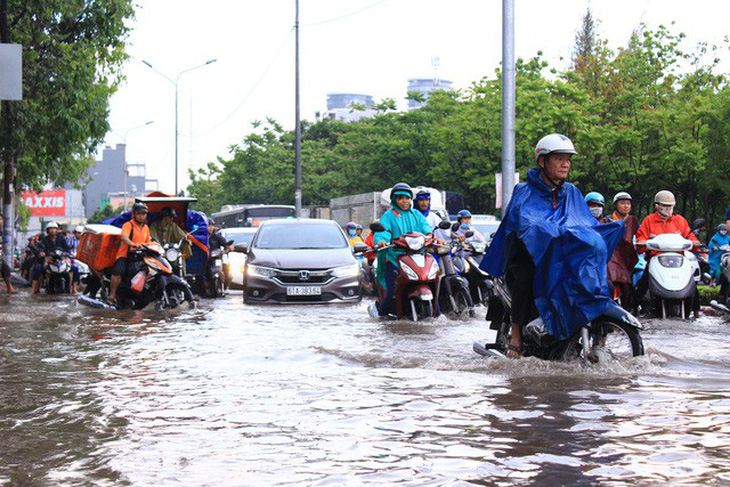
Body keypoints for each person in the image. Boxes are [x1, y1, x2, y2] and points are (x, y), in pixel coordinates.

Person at [480, 133, 624, 358]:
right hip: (528, 254)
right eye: (559, 158)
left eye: (568, 159)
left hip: (562, 256)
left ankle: (598, 336)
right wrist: (548, 231)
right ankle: (516, 337)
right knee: (525, 277)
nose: (566, 164)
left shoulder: (572, 193)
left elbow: (585, 224)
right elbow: (527, 223)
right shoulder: (524, 191)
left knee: (601, 280)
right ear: (542, 161)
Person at [633, 190, 700, 315]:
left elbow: (690, 235)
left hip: (678, 260)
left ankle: (696, 310)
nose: (668, 209)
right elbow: (641, 237)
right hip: (656, 258)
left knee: (692, 283)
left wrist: (694, 242)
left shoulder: (680, 220)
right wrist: (643, 243)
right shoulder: (649, 221)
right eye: (665, 205)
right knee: (643, 284)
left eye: (670, 206)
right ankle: (633, 307)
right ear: (657, 206)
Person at [371, 183, 433, 317]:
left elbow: (426, 229)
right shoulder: (388, 216)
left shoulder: (416, 214)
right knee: (392, 292)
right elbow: (384, 231)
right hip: (395, 258)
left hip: (417, 256)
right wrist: (382, 240)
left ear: (411, 199)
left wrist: (431, 237)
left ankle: (437, 314)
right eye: (400, 198)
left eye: (407, 198)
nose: (404, 201)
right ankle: (381, 318)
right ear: (395, 200)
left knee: (432, 282)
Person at [600, 192, 639, 307]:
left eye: (628, 204)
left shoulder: (633, 221)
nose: (626, 206)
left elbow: (641, 235)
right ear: (616, 205)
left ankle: (633, 307)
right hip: (612, 256)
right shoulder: (606, 221)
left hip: (628, 256)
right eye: (622, 203)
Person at [109, 202, 151, 304]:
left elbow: (148, 242)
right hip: (125, 255)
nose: (142, 216)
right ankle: (112, 295)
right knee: (118, 272)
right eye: (139, 213)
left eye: (144, 213)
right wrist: (133, 244)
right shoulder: (128, 225)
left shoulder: (146, 228)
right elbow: (124, 237)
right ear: (134, 214)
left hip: (139, 256)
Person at [31, 222, 73, 294]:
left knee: (74, 269)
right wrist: (42, 252)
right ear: (48, 230)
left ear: (56, 230)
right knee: (38, 270)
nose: (52, 230)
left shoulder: (61, 238)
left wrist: (69, 253)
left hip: (61, 259)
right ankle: (34, 290)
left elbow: (67, 248)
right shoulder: (45, 239)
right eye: (50, 229)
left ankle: (74, 289)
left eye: (54, 228)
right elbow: (41, 247)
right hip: (49, 259)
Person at [0, 213, 16, 293]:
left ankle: (9, 287)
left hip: (0, 254)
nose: (0, 221)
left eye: (0, 219)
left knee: (6, 268)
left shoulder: (2, 231)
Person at [67, 225, 84, 294]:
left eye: (80, 233)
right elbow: (67, 249)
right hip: (72, 259)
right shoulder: (70, 240)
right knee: (74, 269)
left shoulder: (84, 241)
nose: (79, 234)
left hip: (82, 259)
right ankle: (74, 288)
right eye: (78, 233)